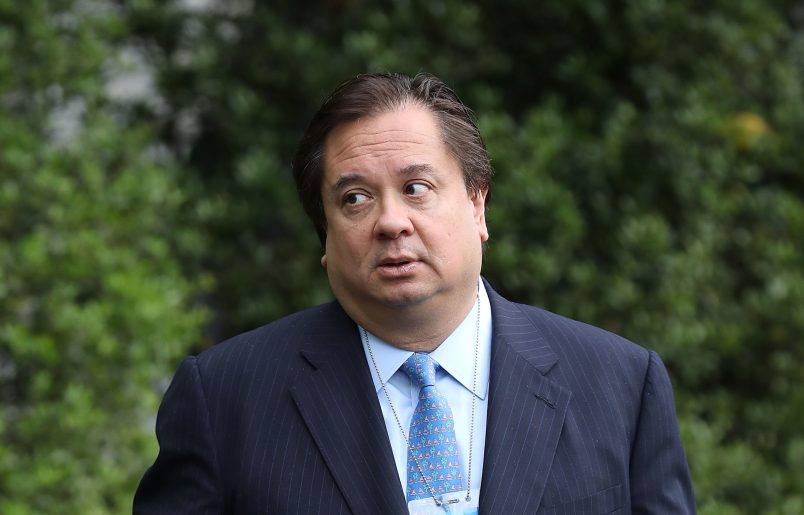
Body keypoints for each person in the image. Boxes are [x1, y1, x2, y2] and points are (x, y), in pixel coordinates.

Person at [134, 72, 696, 514]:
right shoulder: (225, 398)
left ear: (477, 205)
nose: (391, 222)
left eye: (416, 188)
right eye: (355, 198)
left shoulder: (620, 383)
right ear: (325, 236)